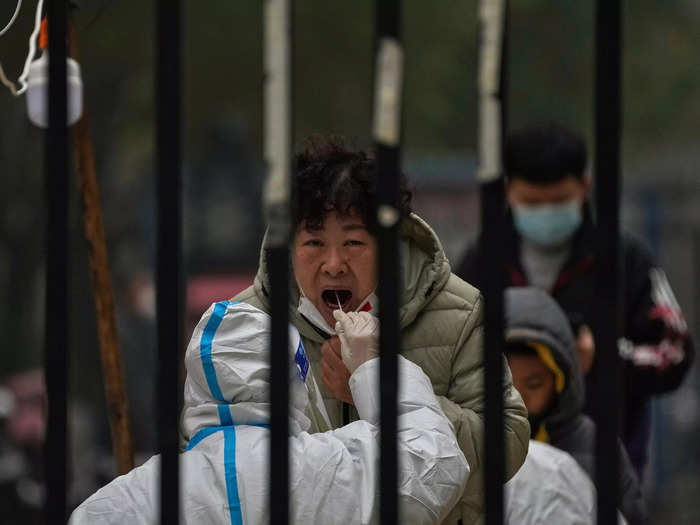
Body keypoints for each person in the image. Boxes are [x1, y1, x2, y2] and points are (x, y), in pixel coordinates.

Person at [232, 136, 530, 523]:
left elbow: (508, 444)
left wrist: (382, 385)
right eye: (314, 242)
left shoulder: (457, 310)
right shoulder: (245, 323)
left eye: (353, 242)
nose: (334, 264)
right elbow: (213, 459)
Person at [69, 302, 469, 524]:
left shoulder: (127, 501)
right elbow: (434, 464)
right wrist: (371, 364)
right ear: (296, 379)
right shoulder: (335, 469)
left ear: (195, 385)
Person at [456, 122, 694, 477]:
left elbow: (673, 353)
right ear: (508, 191)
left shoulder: (626, 259)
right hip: (503, 472)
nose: (546, 213)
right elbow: (451, 351)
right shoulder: (482, 260)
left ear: (585, 187)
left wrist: (603, 357)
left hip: (605, 471)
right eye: (532, 203)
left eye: (559, 201)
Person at [503, 286, 648, 523]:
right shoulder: (473, 444)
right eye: (506, 385)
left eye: (534, 384)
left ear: (560, 380)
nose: (519, 398)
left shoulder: (596, 445)